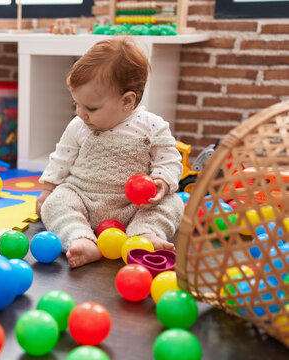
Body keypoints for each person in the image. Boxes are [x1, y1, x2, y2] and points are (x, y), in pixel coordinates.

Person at [35, 37, 184, 268]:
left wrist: (161, 182)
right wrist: (48, 190)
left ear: (127, 101)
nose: (81, 113)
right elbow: (61, 159)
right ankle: (80, 237)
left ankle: (144, 235)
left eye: (91, 108)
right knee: (56, 203)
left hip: (134, 207)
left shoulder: (152, 126)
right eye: (77, 104)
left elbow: (171, 162)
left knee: (173, 203)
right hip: (83, 198)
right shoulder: (78, 126)